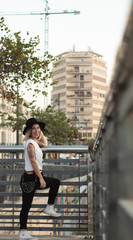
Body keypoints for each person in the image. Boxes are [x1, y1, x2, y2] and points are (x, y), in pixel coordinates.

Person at [19, 118, 61, 240]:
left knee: (55, 183)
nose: (36, 130)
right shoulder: (30, 144)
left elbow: (45, 143)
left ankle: (49, 207)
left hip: (33, 176)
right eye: (34, 128)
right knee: (26, 206)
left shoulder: (34, 142)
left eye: (38, 128)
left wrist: (39, 133)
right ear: (29, 131)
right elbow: (33, 161)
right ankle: (23, 232)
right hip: (30, 177)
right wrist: (41, 178)